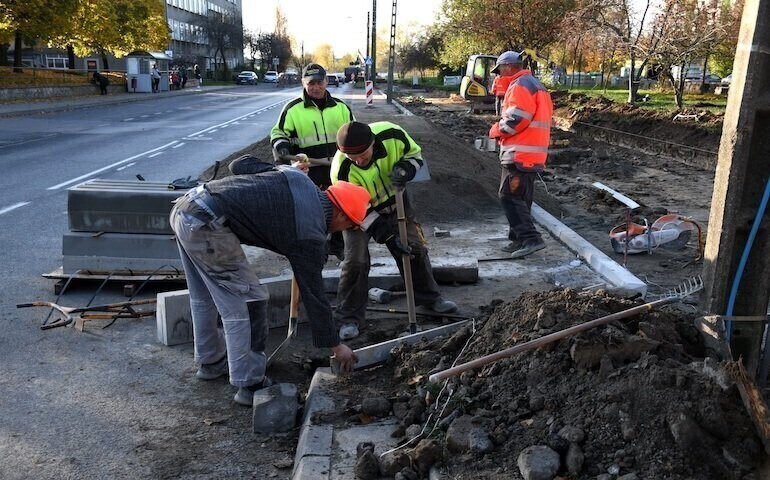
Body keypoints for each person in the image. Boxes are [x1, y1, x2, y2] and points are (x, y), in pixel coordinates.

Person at [170, 158, 367, 406]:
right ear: (339, 212)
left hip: (187, 206)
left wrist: (279, 174)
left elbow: (238, 165)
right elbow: (314, 295)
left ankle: (210, 362)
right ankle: (249, 384)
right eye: (348, 224)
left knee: (205, 296)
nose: (343, 231)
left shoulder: (297, 178)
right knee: (250, 301)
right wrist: (336, 346)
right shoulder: (309, 234)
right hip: (207, 226)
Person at [330, 121, 458, 340]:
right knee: (355, 261)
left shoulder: (392, 134)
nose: (360, 160)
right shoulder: (341, 170)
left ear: (373, 143)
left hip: (396, 200)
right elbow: (355, 211)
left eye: (363, 154)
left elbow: (415, 155)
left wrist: (406, 169)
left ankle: (429, 298)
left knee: (414, 248)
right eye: (354, 158)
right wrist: (387, 236)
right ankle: (349, 317)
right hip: (359, 211)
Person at [270, 62, 355, 260]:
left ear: (326, 81)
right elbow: (279, 133)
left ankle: (339, 245)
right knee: (313, 211)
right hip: (308, 171)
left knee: (340, 207)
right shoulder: (293, 109)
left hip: (337, 169)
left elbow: (354, 134)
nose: (315, 87)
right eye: (311, 83)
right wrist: (283, 147)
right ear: (303, 83)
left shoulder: (341, 108)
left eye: (319, 82)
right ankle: (318, 249)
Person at [487, 51, 553, 258]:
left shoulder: (520, 85)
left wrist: (496, 130)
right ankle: (518, 239)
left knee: (509, 196)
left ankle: (532, 238)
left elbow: (516, 119)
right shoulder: (534, 84)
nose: (499, 75)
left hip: (520, 153)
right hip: (532, 153)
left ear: (508, 66)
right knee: (521, 198)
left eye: (500, 70)